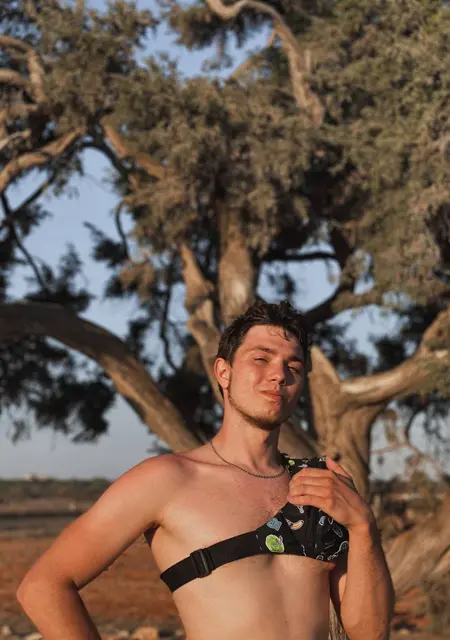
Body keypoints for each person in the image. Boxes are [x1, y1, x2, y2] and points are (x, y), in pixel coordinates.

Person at [17, 300, 395, 640]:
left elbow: (370, 633)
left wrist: (364, 528)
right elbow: (44, 586)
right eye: (261, 359)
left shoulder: (317, 486)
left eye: (293, 366)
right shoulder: (168, 479)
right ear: (223, 372)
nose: (279, 374)